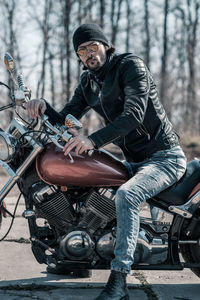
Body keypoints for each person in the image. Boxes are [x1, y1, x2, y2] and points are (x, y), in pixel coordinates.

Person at [26, 23, 187, 300]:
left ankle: (119, 280)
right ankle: (73, 255)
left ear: (105, 45)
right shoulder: (88, 81)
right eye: (82, 50)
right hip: (134, 161)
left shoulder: (130, 66)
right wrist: (43, 107)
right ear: (78, 56)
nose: (89, 54)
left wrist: (92, 140)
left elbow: (134, 114)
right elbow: (67, 117)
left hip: (164, 157)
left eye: (92, 46)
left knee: (127, 195)